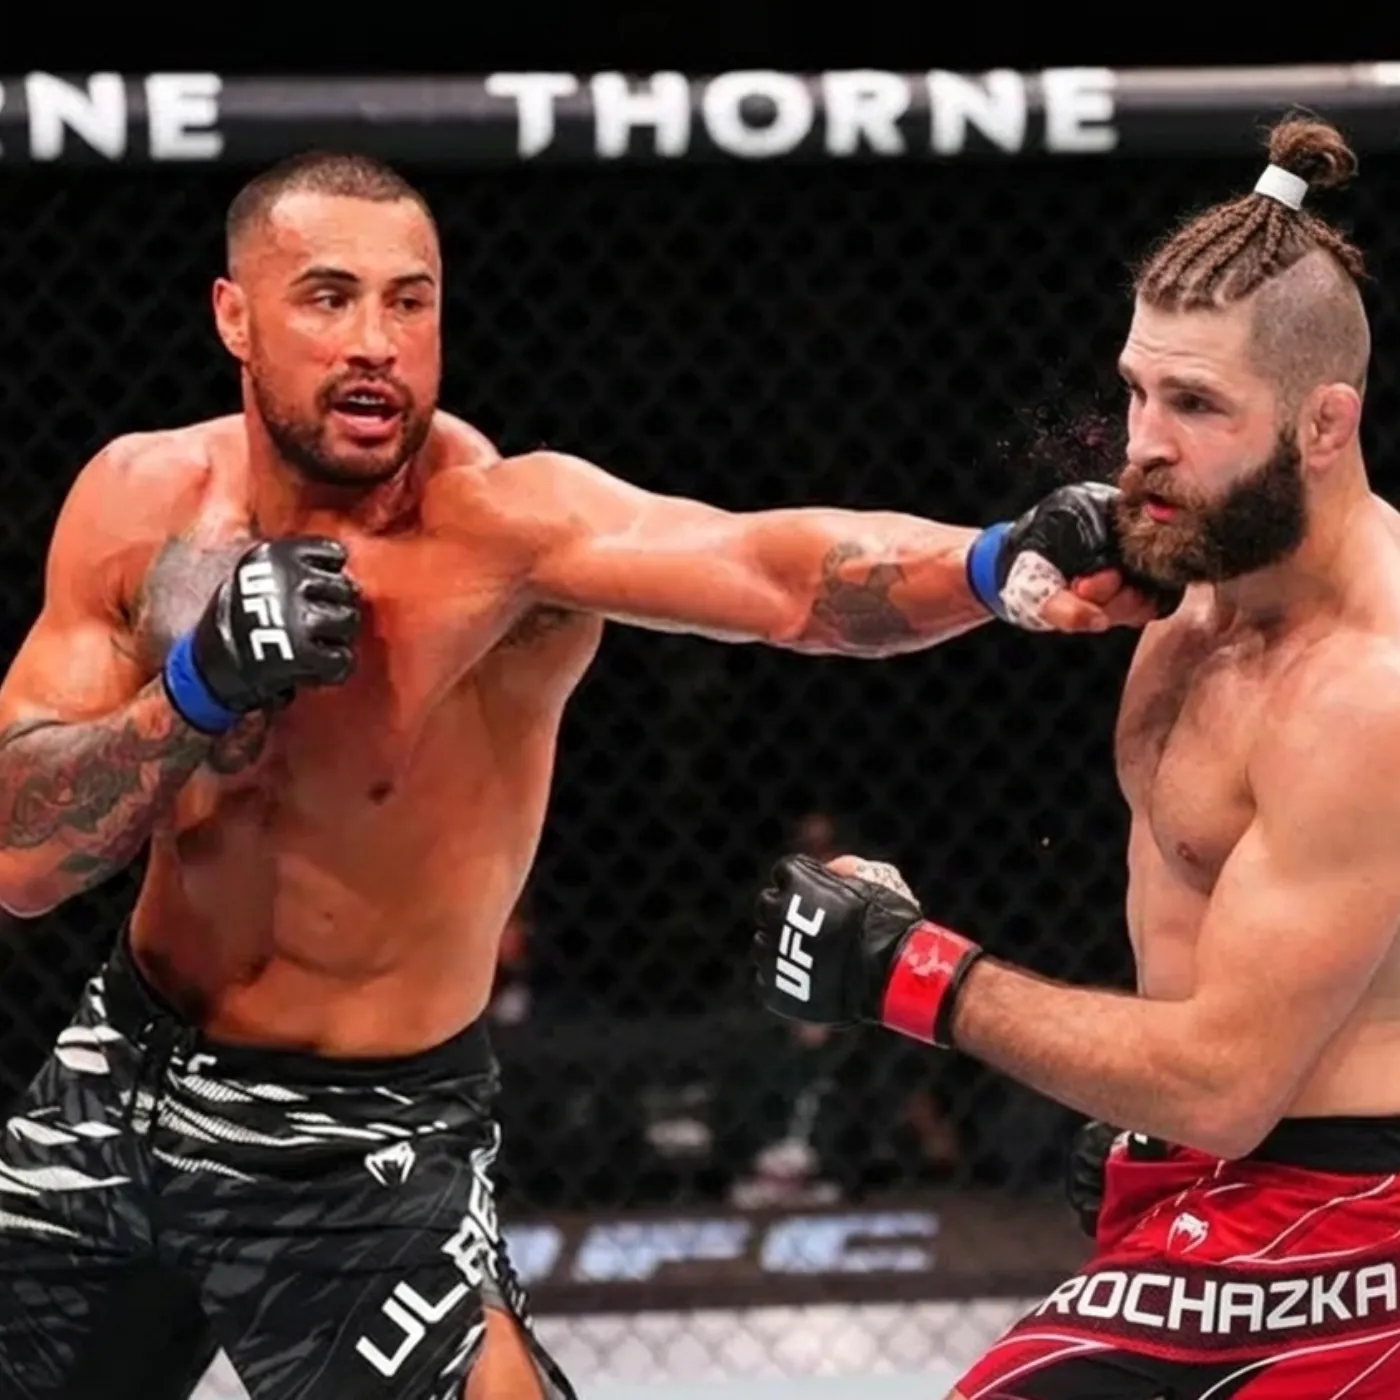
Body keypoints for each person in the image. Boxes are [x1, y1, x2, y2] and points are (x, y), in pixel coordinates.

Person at [0, 151, 1161, 1400]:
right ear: (235, 315)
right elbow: (21, 856)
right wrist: (194, 689)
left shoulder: (504, 531)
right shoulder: (142, 505)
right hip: (119, 1072)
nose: (376, 342)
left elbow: (773, 573)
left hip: (354, 1141)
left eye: (409, 300)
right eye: (328, 297)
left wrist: (992, 562)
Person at [752, 115, 1400, 1398]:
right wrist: (997, 562)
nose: (1141, 441)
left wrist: (906, 968)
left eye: (1195, 404)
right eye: (1135, 390)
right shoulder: (1189, 603)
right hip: (1208, 1190)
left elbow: (1223, 1080)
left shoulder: (1363, 687)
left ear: (1322, 426)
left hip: (1348, 1233)